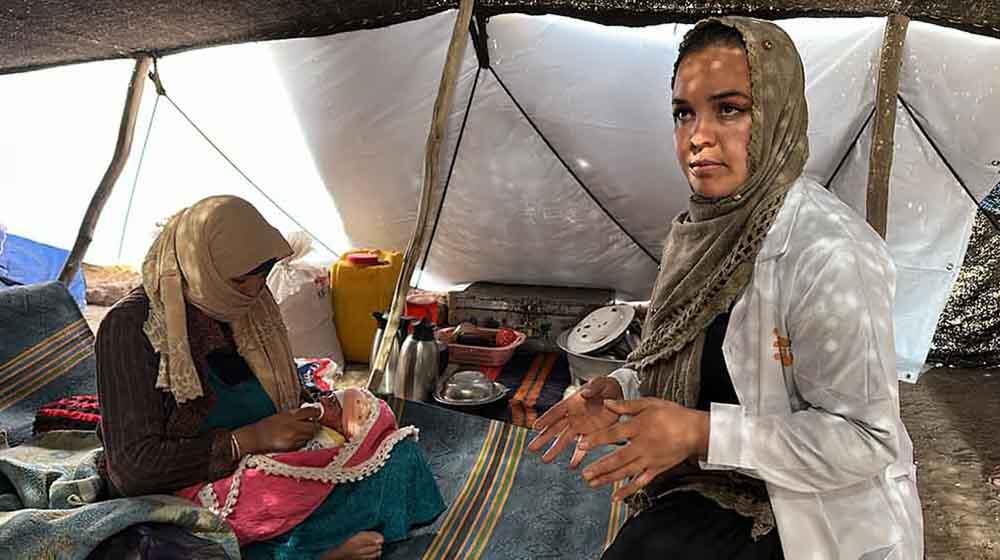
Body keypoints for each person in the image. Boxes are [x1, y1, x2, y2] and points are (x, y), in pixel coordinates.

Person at [528, 17, 923, 560]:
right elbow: (691, 354)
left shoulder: (829, 253)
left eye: (729, 109)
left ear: (778, 115)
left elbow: (865, 441)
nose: (698, 136)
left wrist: (701, 433)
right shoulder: (703, 234)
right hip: (718, 485)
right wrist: (623, 388)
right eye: (683, 113)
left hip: (810, 517)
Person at [96, 195, 444, 560]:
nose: (253, 291)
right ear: (203, 269)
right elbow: (133, 470)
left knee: (401, 458)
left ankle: (306, 540)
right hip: (192, 482)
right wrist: (246, 439)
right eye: (240, 281)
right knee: (183, 548)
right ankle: (311, 551)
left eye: (261, 277)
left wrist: (316, 414)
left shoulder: (250, 304)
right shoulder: (130, 328)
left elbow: (284, 386)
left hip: (270, 461)